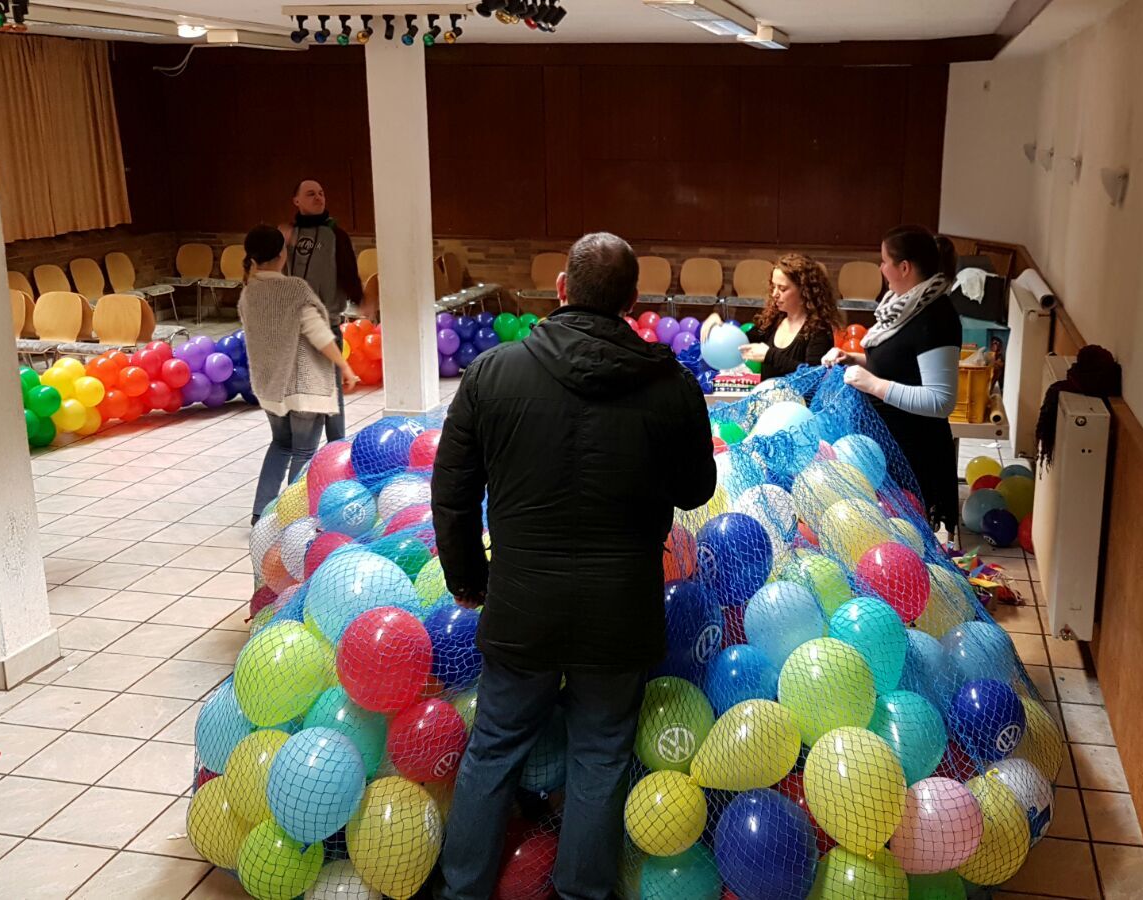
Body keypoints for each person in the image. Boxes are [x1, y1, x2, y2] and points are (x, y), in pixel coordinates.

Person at [432, 232, 717, 900]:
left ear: (561, 289)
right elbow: (696, 490)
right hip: (621, 610)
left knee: (495, 746)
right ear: (632, 300)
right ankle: (580, 893)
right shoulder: (670, 384)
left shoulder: (491, 373)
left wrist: (468, 578)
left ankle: (463, 889)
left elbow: (452, 491)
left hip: (521, 603)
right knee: (600, 755)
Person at [823, 225, 962, 531]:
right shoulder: (904, 307)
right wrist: (853, 358)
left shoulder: (935, 317)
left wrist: (873, 385)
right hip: (885, 447)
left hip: (913, 455)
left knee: (906, 539)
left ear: (904, 267)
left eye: (885, 261)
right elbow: (898, 365)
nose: (881, 268)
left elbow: (940, 400)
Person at [238, 224, 358, 523]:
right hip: (304, 386)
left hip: (270, 386)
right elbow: (318, 334)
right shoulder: (294, 289)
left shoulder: (249, 292)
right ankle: (293, 518)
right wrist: (344, 366)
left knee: (280, 445)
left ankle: (260, 512)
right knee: (304, 452)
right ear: (282, 254)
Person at [281, 179, 364, 440]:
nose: (318, 197)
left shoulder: (336, 235)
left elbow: (349, 274)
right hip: (294, 326)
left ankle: (336, 445)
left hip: (326, 324)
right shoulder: (286, 235)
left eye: (321, 193)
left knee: (331, 389)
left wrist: (362, 300)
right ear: (296, 201)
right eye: (311, 194)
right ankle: (303, 447)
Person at [738, 253, 842, 379]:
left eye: (782, 289)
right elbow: (741, 341)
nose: (774, 294)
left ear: (804, 291)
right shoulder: (774, 320)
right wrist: (720, 327)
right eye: (773, 287)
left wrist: (770, 356)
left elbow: (813, 376)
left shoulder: (819, 330)